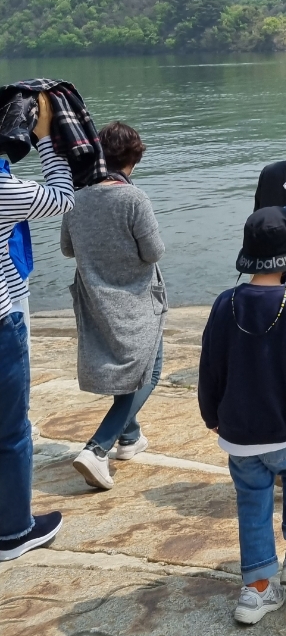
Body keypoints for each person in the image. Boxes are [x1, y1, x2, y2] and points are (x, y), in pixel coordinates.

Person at [198, 207, 286, 626]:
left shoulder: (225, 303)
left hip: (238, 433)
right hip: (285, 428)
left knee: (251, 501)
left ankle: (256, 591)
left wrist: (210, 413)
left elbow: (211, 365)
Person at [60, 122, 167, 491]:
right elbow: (153, 252)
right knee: (148, 372)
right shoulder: (134, 199)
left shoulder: (77, 197)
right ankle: (98, 447)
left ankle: (129, 438)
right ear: (134, 158)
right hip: (137, 299)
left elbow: (68, 249)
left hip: (97, 299)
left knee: (129, 369)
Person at [0, 93, 73, 562]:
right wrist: (45, 138)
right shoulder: (5, 191)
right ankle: (13, 531)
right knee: (11, 430)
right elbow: (64, 197)